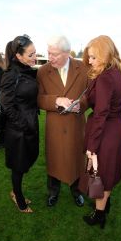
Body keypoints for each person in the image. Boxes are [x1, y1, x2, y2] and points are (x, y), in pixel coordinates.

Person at [81, 35, 121, 228]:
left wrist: (92, 147)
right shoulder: (118, 72)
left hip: (105, 132)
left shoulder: (105, 78)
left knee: (101, 172)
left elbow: (100, 114)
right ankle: (105, 204)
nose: (90, 61)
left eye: (93, 57)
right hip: (117, 128)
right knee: (110, 170)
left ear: (105, 54)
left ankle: (99, 215)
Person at [37, 35, 88, 207]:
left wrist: (81, 105)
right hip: (55, 128)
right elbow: (38, 98)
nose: (49, 57)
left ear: (67, 53)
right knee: (54, 160)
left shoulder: (83, 68)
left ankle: (77, 191)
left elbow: (90, 96)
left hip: (76, 126)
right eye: (48, 53)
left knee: (76, 159)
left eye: (54, 54)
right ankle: (53, 192)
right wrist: (55, 101)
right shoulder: (42, 71)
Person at [0, 35, 39, 213]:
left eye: (35, 53)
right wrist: (23, 124)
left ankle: (16, 192)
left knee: (25, 162)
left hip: (30, 124)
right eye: (30, 55)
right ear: (19, 56)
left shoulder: (27, 70)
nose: (35, 58)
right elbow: (6, 106)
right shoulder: (10, 75)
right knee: (18, 165)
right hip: (18, 129)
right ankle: (18, 197)